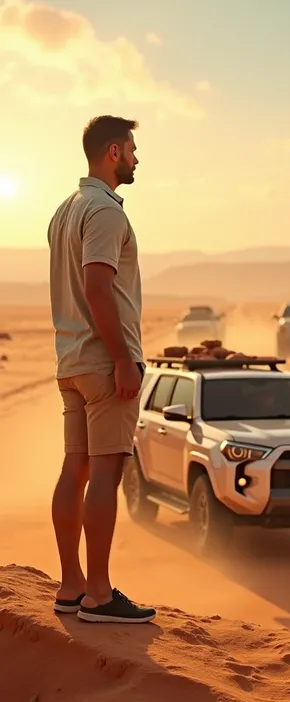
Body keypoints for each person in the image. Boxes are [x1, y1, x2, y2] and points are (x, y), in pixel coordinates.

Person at [47, 115, 156, 624]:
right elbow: (96, 287)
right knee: (105, 473)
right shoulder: (105, 210)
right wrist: (121, 359)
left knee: (76, 468)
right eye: (133, 149)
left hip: (70, 362)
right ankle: (99, 594)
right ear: (113, 152)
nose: (137, 157)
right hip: (102, 363)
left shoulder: (63, 210)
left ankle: (70, 587)